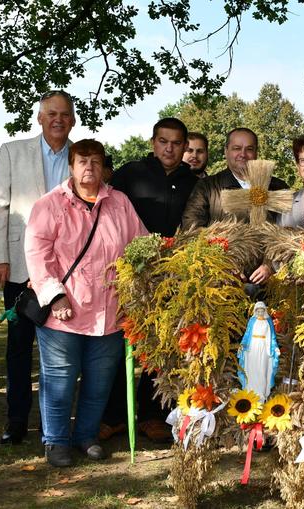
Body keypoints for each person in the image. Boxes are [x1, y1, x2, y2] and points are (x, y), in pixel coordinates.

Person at [24, 139, 147, 467]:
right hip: (64, 312)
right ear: (71, 165)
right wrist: (55, 296)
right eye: (82, 161)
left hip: (110, 312)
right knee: (60, 380)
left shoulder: (119, 202)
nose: (88, 168)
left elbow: (141, 245)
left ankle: (87, 435)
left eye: (95, 161)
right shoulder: (50, 205)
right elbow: (37, 256)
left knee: (99, 381)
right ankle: (56, 441)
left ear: (104, 166)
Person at [0, 90, 75, 445]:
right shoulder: (12, 152)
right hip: (21, 268)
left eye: (64, 114)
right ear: (39, 117)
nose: (58, 119)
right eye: (51, 113)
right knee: (19, 348)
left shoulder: (81, 158)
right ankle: (16, 420)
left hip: (66, 272)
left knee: (61, 353)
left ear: (72, 120)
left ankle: (52, 423)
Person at [101, 117, 198, 443]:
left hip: (173, 277)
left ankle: (153, 414)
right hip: (131, 273)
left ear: (185, 146)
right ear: (153, 142)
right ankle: (113, 415)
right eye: (163, 141)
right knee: (120, 344)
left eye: (176, 143)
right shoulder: (130, 174)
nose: (169, 148)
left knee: (163, 348)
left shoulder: (194, 182)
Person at [182, 127, 289, 286]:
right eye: (236, 148)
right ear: (226, 151)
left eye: (249, 149)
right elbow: (192, 229)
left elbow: (287, 231)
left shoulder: (277, 187)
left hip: (271, 284)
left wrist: (270, 265)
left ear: (256, 153)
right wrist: (223, 263)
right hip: (223, 284)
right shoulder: (208, 187)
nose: (243, 154)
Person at [237, 302, 280, 401]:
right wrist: (242, 345)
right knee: (251, 369)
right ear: (255, 311)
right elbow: (247, 334)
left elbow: (272, 336)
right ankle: (250, 392)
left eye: (262, 310)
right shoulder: (252, 321)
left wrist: (275, 347)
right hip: (252, 347)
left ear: (265, 311)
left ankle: (261, 394)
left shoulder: (268, 321)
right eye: (258, 310)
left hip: (264, 348)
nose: (260, 312)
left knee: (262, 370)